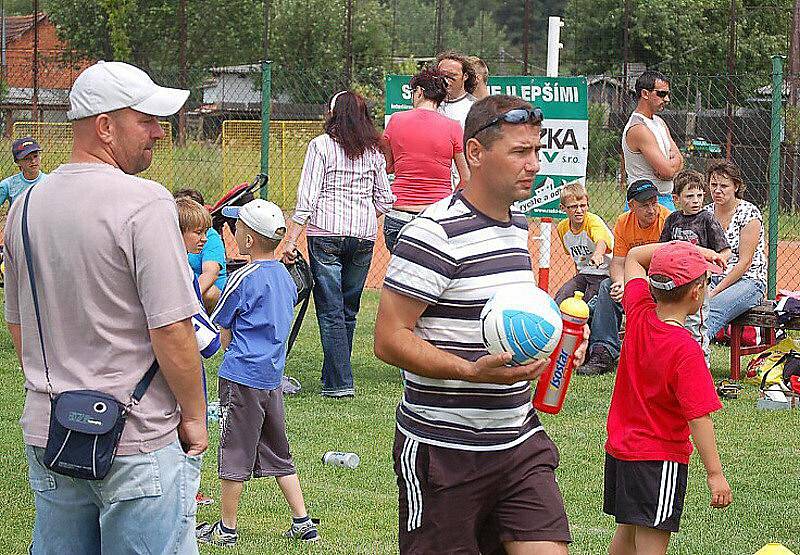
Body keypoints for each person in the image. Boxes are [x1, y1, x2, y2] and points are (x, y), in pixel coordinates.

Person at [3, 61, 207, 554]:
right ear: (105, 127)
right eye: (147, 120)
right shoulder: (145, 203)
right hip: (135, 439)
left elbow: (19, 328)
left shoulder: (25, 206)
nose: (159, 132)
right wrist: (195, 415)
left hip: (52, 433)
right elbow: (173, 329)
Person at [374, 95, 588, 554]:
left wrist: (554, 341)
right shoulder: (434, 233)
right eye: (519, 152)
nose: (533, 164)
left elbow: (505, 321)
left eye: (536, 151)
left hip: (518, 441)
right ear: (474, 153)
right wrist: (469, 370)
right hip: (443, 451)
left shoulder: (518, 227)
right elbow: (389, 339)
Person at [198, 199, 318, 546]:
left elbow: (219, 325)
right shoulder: (284, 275)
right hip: (271, 379)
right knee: (279, 449)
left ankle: (226, 528)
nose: (232, 230)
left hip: (241, 378)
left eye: (237, 227)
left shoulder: (242, 277)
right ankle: (302, 521)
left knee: (234, 449)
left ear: (248, 239)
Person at [604, 241, 732, 555]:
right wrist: (715, 474)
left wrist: (687, 250)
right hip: (657, 460)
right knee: (650, 541)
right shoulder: (686, 350)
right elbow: (699, 417)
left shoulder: (638, 311)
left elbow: (634, 256)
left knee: (628, 531)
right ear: (696, 294)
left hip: (621, 451)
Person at [282, 90, 394, 398]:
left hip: (325, 233)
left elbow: (307, 197)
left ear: (332, 114)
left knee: (330, 311)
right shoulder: (373, 151)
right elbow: (385, 198)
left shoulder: (320, 146)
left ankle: (339, 383)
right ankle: (335, 375)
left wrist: (291, 240)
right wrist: (364, 217)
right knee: (348, 310)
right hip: (363, 236)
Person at [576, 179, 671, 376]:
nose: (652, 209)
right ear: (632, 206)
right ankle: (603, 352)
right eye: (645, 205)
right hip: (633, 279)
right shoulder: (623, 222)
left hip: (662, 282)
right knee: (607, 286)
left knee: (595, 302)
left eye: (654, 203)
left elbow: (670, 266)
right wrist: (620, 282)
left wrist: (639, 283)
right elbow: (618, 263)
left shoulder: (667, 219)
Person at [381, 68, 468, 253]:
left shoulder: (396, 120)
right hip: (436, 216)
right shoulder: (453, 127)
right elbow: (466, 177)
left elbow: (387, 167)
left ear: (419, 92)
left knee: (400, 275)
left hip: (399, 213)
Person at [659, 170, 730, 363]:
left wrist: (715, 263)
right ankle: (673, 362)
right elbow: (662, 248)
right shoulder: (672, 220)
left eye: (699, 195)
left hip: (698, 285)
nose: (696, 201)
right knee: (671, 322)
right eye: (689, 196)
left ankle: (700, 365)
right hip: (673, 284)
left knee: (695, 324)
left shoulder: (707, 219)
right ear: (676, 198)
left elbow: (724, 250)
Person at [703, 160, 767, 340]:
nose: (717, 190)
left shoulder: (749, 213)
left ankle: (690, 358)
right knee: (685, 306)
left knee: (712, 308)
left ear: (736, 186)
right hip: (713, 277)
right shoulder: (706, 213)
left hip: (748, 281)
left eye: (724, 186)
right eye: (713, 184)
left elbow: (745, 263)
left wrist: (714, 292)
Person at [622, 70, 684, 211]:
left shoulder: (659, 122)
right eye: (661, 94)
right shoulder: (639, 128)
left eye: (668, 94)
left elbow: (680, 160)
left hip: (665, 198)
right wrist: (669, 167)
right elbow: (668, 172)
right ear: (645, 94)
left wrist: (669, 166)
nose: (667, 99)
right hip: (644, 203)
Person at [555, 180, 613, 305]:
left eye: (583, 205)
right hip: (584, 274)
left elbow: (601, 240)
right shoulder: (562, 228)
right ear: (563, 208)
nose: (579, 210)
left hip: (604, 274)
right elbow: (577, 259)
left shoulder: (593, 221)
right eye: (573, 206)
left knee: (587, 305)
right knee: (562, 297)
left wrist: (598, 255)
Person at [173, 188, 228, 313]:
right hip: (186, 289)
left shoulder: (211, 237)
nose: (204, 238)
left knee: (210, 293)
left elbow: (211, 273)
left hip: (202, 292)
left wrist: (187, 302)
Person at [0, 137, 47, 207]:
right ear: (17, 162)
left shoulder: (48, 181)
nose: (33, 161)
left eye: (35, 156)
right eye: (27, 158)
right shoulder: (7, 185)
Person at [435, 51, 478, 128]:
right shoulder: (430, 104)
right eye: (441, 75)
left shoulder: (475, 107)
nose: (446, 80)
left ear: (465, 76)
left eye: (452, 75)